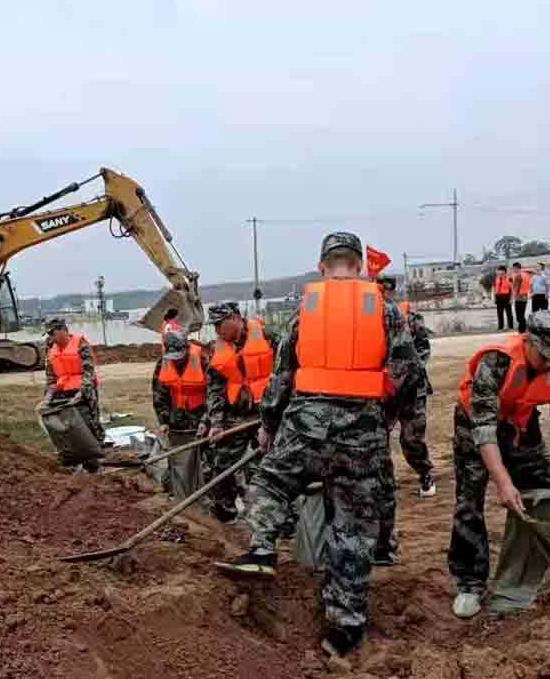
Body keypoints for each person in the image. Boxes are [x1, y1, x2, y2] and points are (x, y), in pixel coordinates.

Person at [216, 232, 422, 659]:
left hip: (304, 425)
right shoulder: (384, 309)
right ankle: (342, 630)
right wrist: (381, 418)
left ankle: (261, 549)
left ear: (323, 266)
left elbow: (281, 376)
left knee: (271, 482)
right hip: (361, 433)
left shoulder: (304, 311)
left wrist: (270, 424)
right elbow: (407, 372)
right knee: (353, 525)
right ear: (361, 266)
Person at [449, 310, 550, 619]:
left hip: (522, 425)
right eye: (546, 356)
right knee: (469, 502)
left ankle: (545, 571)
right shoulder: (495, 363)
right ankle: (470, 583)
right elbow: (483, 430)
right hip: (475, 428)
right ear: (530, 342)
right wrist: (504, 482)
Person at [374, 275, 437, 568]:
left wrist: (407, 369)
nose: (382, 294)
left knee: (411, 440)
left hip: (412, 389)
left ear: (392, 291)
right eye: (379, 290)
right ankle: (383, 486)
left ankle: (425, 473)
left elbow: (422, 348)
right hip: (383, 392)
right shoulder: (371, 317)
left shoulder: (410, 316)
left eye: (386, 290)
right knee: (377, 441)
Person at [205, 302, 279, 522]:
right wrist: (216, 423)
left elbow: (286, 375)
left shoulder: (269, 337)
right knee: (222, 463)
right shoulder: (217, 349)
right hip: (235, 416)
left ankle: (277, 519)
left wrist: (273, 419)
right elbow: (215, 391)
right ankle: (225, 513)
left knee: (272, 466)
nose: (218, 330)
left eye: (221, 324)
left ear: (236, 318)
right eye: (214, 326)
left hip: (266, 413)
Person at [152, 330, 209, 500]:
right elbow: (159, 394)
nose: (177, 360)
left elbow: (214, 393)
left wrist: (206, 420)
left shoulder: (203, 359)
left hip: (200, 415)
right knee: (177, 458)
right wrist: (163, 420)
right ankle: (177, 493)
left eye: (180, 356)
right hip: (177, 419)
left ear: (186, 347)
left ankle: (206, 494)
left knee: (206, 457)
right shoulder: (163, 362)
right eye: (173, 357)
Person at [43, 317, 105, 447]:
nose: (51, 338)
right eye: (48, 335)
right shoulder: (50, 348)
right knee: (67, 426)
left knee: (90, 423)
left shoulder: (80, 344)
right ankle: (76, 454)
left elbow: (88, 371)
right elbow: (50, 376)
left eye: (52, 334)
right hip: (63, 392)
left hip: (83, 390)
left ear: (63, 330)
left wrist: (82, 392)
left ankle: (98, 451)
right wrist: (48, 396)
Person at [511, 262, 531, 333]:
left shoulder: (518, 276)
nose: (513, 270)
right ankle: (523, 329)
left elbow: (516, 288)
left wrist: (512, 298)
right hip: (525, 297)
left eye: (513, 268)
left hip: (519, 298)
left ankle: (522, 330)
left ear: (516, 268)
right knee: (521, 315)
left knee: (519, 317)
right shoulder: (526, 275)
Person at [493, 265, 514, 331]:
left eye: (501, 273)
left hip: (506, 296)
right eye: (498, 273)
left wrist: (511, 299)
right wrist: (494, 298)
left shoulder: (509, 278)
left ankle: (510, 327)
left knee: (509, 313)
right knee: (499, 313)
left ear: (505, 272)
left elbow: (512, 290)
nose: (499, 274)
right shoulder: (496, 279)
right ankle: (500, 327)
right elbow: (495, 289)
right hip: (498, 297)